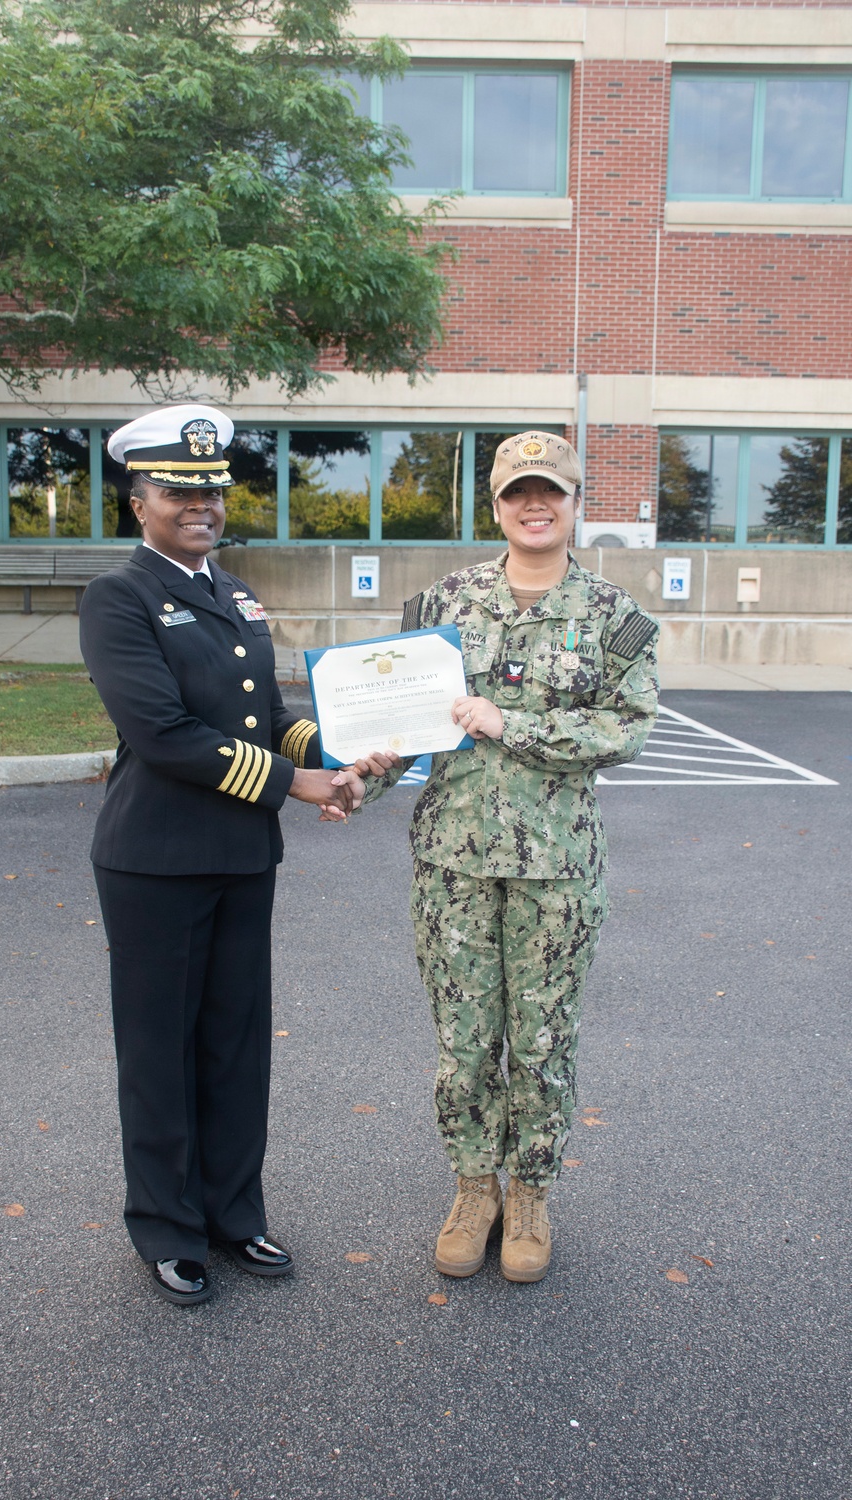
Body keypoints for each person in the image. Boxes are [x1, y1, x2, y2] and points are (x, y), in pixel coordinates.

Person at [79, 404, 386, 1307]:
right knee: (159, 1051)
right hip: (154, 858)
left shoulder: (235, 593)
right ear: (139, 501)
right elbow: (165, 733)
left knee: (236, 1045)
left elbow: (267, 715)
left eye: (211, 490)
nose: (200, 505)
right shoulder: (119, 598)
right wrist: (297, 785)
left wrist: (340, 753)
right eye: (178, 490)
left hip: (242, 854)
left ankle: (232, 1213)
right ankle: (167, 1229)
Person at [345, 431, 659, 1283]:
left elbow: (625, 728)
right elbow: (402, 726)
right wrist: (359, 779)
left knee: (543, 1043)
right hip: (453, 863)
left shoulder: (614, 618)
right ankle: (473, 1188)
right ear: (496, 505)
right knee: (464, 1042)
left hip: (557, 870)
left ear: (575, 502)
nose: (535, 505)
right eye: (519, 492)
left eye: (550, 491)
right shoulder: (441, 605)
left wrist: (508, 722)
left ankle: (529, 1196)